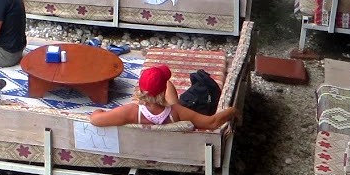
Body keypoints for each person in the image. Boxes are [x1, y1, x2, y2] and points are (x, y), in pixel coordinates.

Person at [88, 65, 238, 130]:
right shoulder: (178, 112)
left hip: (146, 128)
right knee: (172, 91)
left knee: (167, 88)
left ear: (140, 90)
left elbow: (95, 119)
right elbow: (212, 123)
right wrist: (232, 110)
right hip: (169, 117)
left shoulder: (130, 112)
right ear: (163, 90)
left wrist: (98, 111)